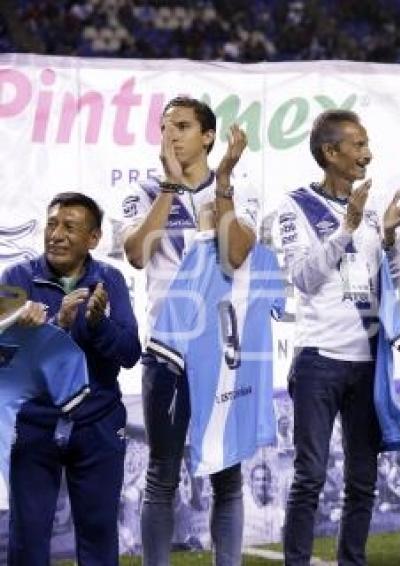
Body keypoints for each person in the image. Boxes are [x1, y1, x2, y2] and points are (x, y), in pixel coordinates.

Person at [120, 96, 259, 565]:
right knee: (162, 473)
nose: (171, 135)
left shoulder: (238, 190)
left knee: (227, 472)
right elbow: (137, 254)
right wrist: (169, 189)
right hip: (166, 349)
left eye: (182, 125)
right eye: (165, 127)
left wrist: (220, 185)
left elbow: (235, 254)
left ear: (207, 137)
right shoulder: (143, 190)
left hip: (223, 350)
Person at [274, 109, 400, 565]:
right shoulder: (296, 206)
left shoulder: (373, 213)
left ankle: (351, 560)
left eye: (366, 144)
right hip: (319, 358)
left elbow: (391, 281)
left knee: (362, 479)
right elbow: (303, 278)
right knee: (310, 475)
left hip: (367, 362)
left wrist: (390, 239)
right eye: (357, 145)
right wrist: (347, 228)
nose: (367, 154)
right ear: (330, 152)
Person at [0, 192, 141, 565]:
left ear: (93, 239)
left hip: (97, 423)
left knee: (98, 539)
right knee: (27, 542)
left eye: (69, 227)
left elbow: (130, 353)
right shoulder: (15, 278)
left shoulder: (110, 279)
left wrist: (97, 325)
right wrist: (50, 328)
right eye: (51, 224)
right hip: (33, 425)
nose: (56, 234)